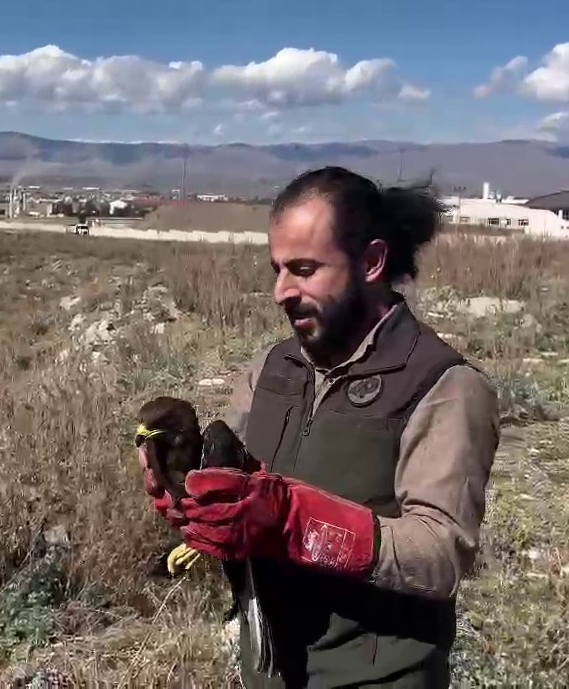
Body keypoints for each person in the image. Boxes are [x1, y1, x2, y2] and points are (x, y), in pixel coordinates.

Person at [140, 166, 501, 687]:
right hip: (270, 668)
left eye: (304, 270)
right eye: (277, 269)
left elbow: (441, 554)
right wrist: (189, 489)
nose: (281, 292)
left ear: (371, 262)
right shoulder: (274, 366)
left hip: (377, 677)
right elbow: (240, 490)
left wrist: (300, 524)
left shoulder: (444, 385)